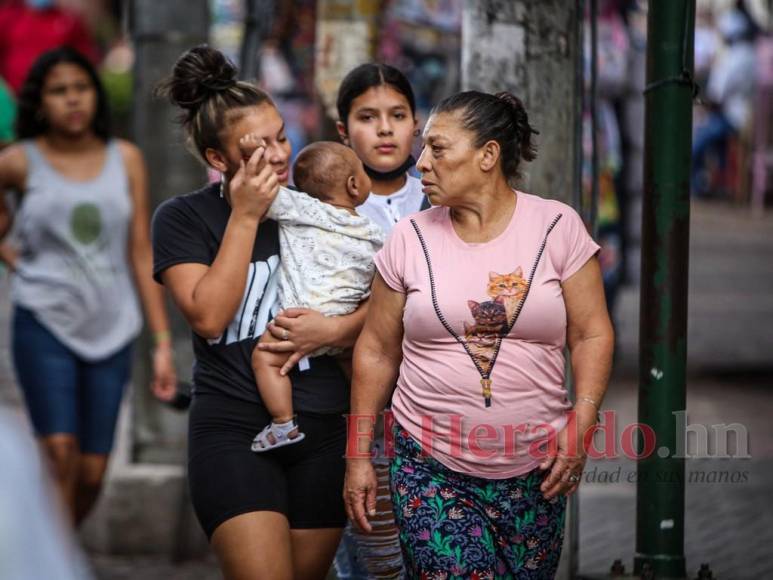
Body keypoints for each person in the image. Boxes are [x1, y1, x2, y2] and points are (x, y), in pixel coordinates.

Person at [344, 90, 614, 578]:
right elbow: (376, 351)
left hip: (538, 469)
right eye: (423, 148)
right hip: (427, 465)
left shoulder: (557, 227)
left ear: (488, 155)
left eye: (438, 149)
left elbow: (592, 334)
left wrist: (584, 420)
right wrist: (359, 456)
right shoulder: (409, 237)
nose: (421, 162)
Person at [152, 45, 366, 579]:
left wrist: (337, 328)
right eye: (258, 146)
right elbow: (208, 318)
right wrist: (245, 216)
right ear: (218, 159)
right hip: (232, 428)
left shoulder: (313, 209)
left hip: (321, 426)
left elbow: (385, 302)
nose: (277, 156)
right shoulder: (182, 219)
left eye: (280, 137)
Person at [0, 47, 177, 526]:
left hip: (113, 325)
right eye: (59, 91)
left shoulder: (127, 159)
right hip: (43, 320)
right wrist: (14, 259)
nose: (72, 100)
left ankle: (53, 551)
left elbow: (141, 251)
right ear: (40, 102)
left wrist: (161, 343)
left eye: (80, 88)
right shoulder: (18, 161)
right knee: (59, 454)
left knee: (94, 472)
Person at [333, 62, 424, 579]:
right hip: (360, 408)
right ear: (343, 130)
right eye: (368, 117)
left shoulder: (439, 201)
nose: (385, 128)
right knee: (374, 558)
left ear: (417, 124)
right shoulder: (325, 212)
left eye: (398, 115)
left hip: (435, 408)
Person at [248, 138, 382, 452]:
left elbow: (259, 191)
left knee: (264, 358)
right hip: (347, 318)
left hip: (301, 320)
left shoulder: (301, 208)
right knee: (358, 364)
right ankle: (373, 424)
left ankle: (283, 423)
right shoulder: (373, 232)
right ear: (353, 185)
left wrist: (251, 153)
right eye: (362, 171)